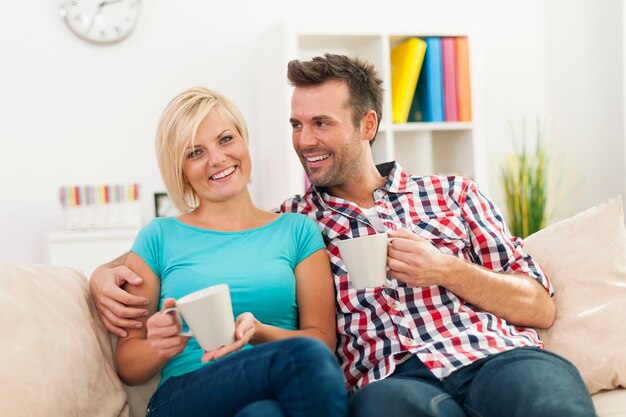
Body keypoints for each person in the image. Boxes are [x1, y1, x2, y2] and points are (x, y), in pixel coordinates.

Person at [91, 56, 597, 417]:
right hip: (391, 381)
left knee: (548, 404)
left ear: (367, 125)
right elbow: (198, 240)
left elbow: (541, 306)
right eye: (296, 124)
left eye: (322, 123)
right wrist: (98, 275)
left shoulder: (453, 194)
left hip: (493, 355)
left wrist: (447, 268)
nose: (305, 140)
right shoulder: (301, 220)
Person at [113, 86, 348, 417]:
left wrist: (260, 331)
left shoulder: (297, 231)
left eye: (225, 140)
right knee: (301, 357)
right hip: (186, 394)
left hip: (275, 393)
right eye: (195, 152)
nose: (217, 159)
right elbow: (127, 364)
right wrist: (159, 347)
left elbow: (322, 342)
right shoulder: (158, 237)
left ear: (243, 140)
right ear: (180, 169)